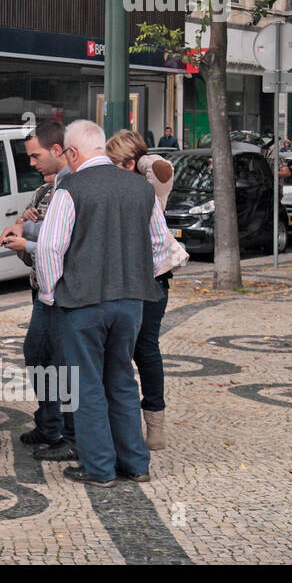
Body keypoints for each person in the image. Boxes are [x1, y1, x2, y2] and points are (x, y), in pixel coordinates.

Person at [36, 120, 171, 487]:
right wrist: (141, 274)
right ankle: (135, 463)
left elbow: (50, 247)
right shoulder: (140, 189)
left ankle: (99, 468)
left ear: (74, 152)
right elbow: (161, 245)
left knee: (87, 385)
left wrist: (50, 292)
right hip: (132, 300)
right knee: (123, 378)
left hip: (81, 302)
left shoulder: (71, 188)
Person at [0, 120, 76, 456]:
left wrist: (28, 237)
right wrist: (26, 227)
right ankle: (50, 424)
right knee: (38, 355)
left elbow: (64, 244)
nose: (31, 163)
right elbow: (33, 236)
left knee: (62, 361)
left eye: (35, 156)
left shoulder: (73, 187)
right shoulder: (47, 191)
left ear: (57, 150)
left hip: (64, 290)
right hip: (42, 288)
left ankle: (67, 435)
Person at [106, 130, 180, 450]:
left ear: (131, 162)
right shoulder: (114, 188)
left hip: (151, 277)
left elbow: (162, 169)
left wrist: (142, 160)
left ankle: (155, 422)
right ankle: (122, 421)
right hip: (121, 276)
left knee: (145, 348)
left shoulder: (152, 186)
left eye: (114, 163)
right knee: (119, 349)